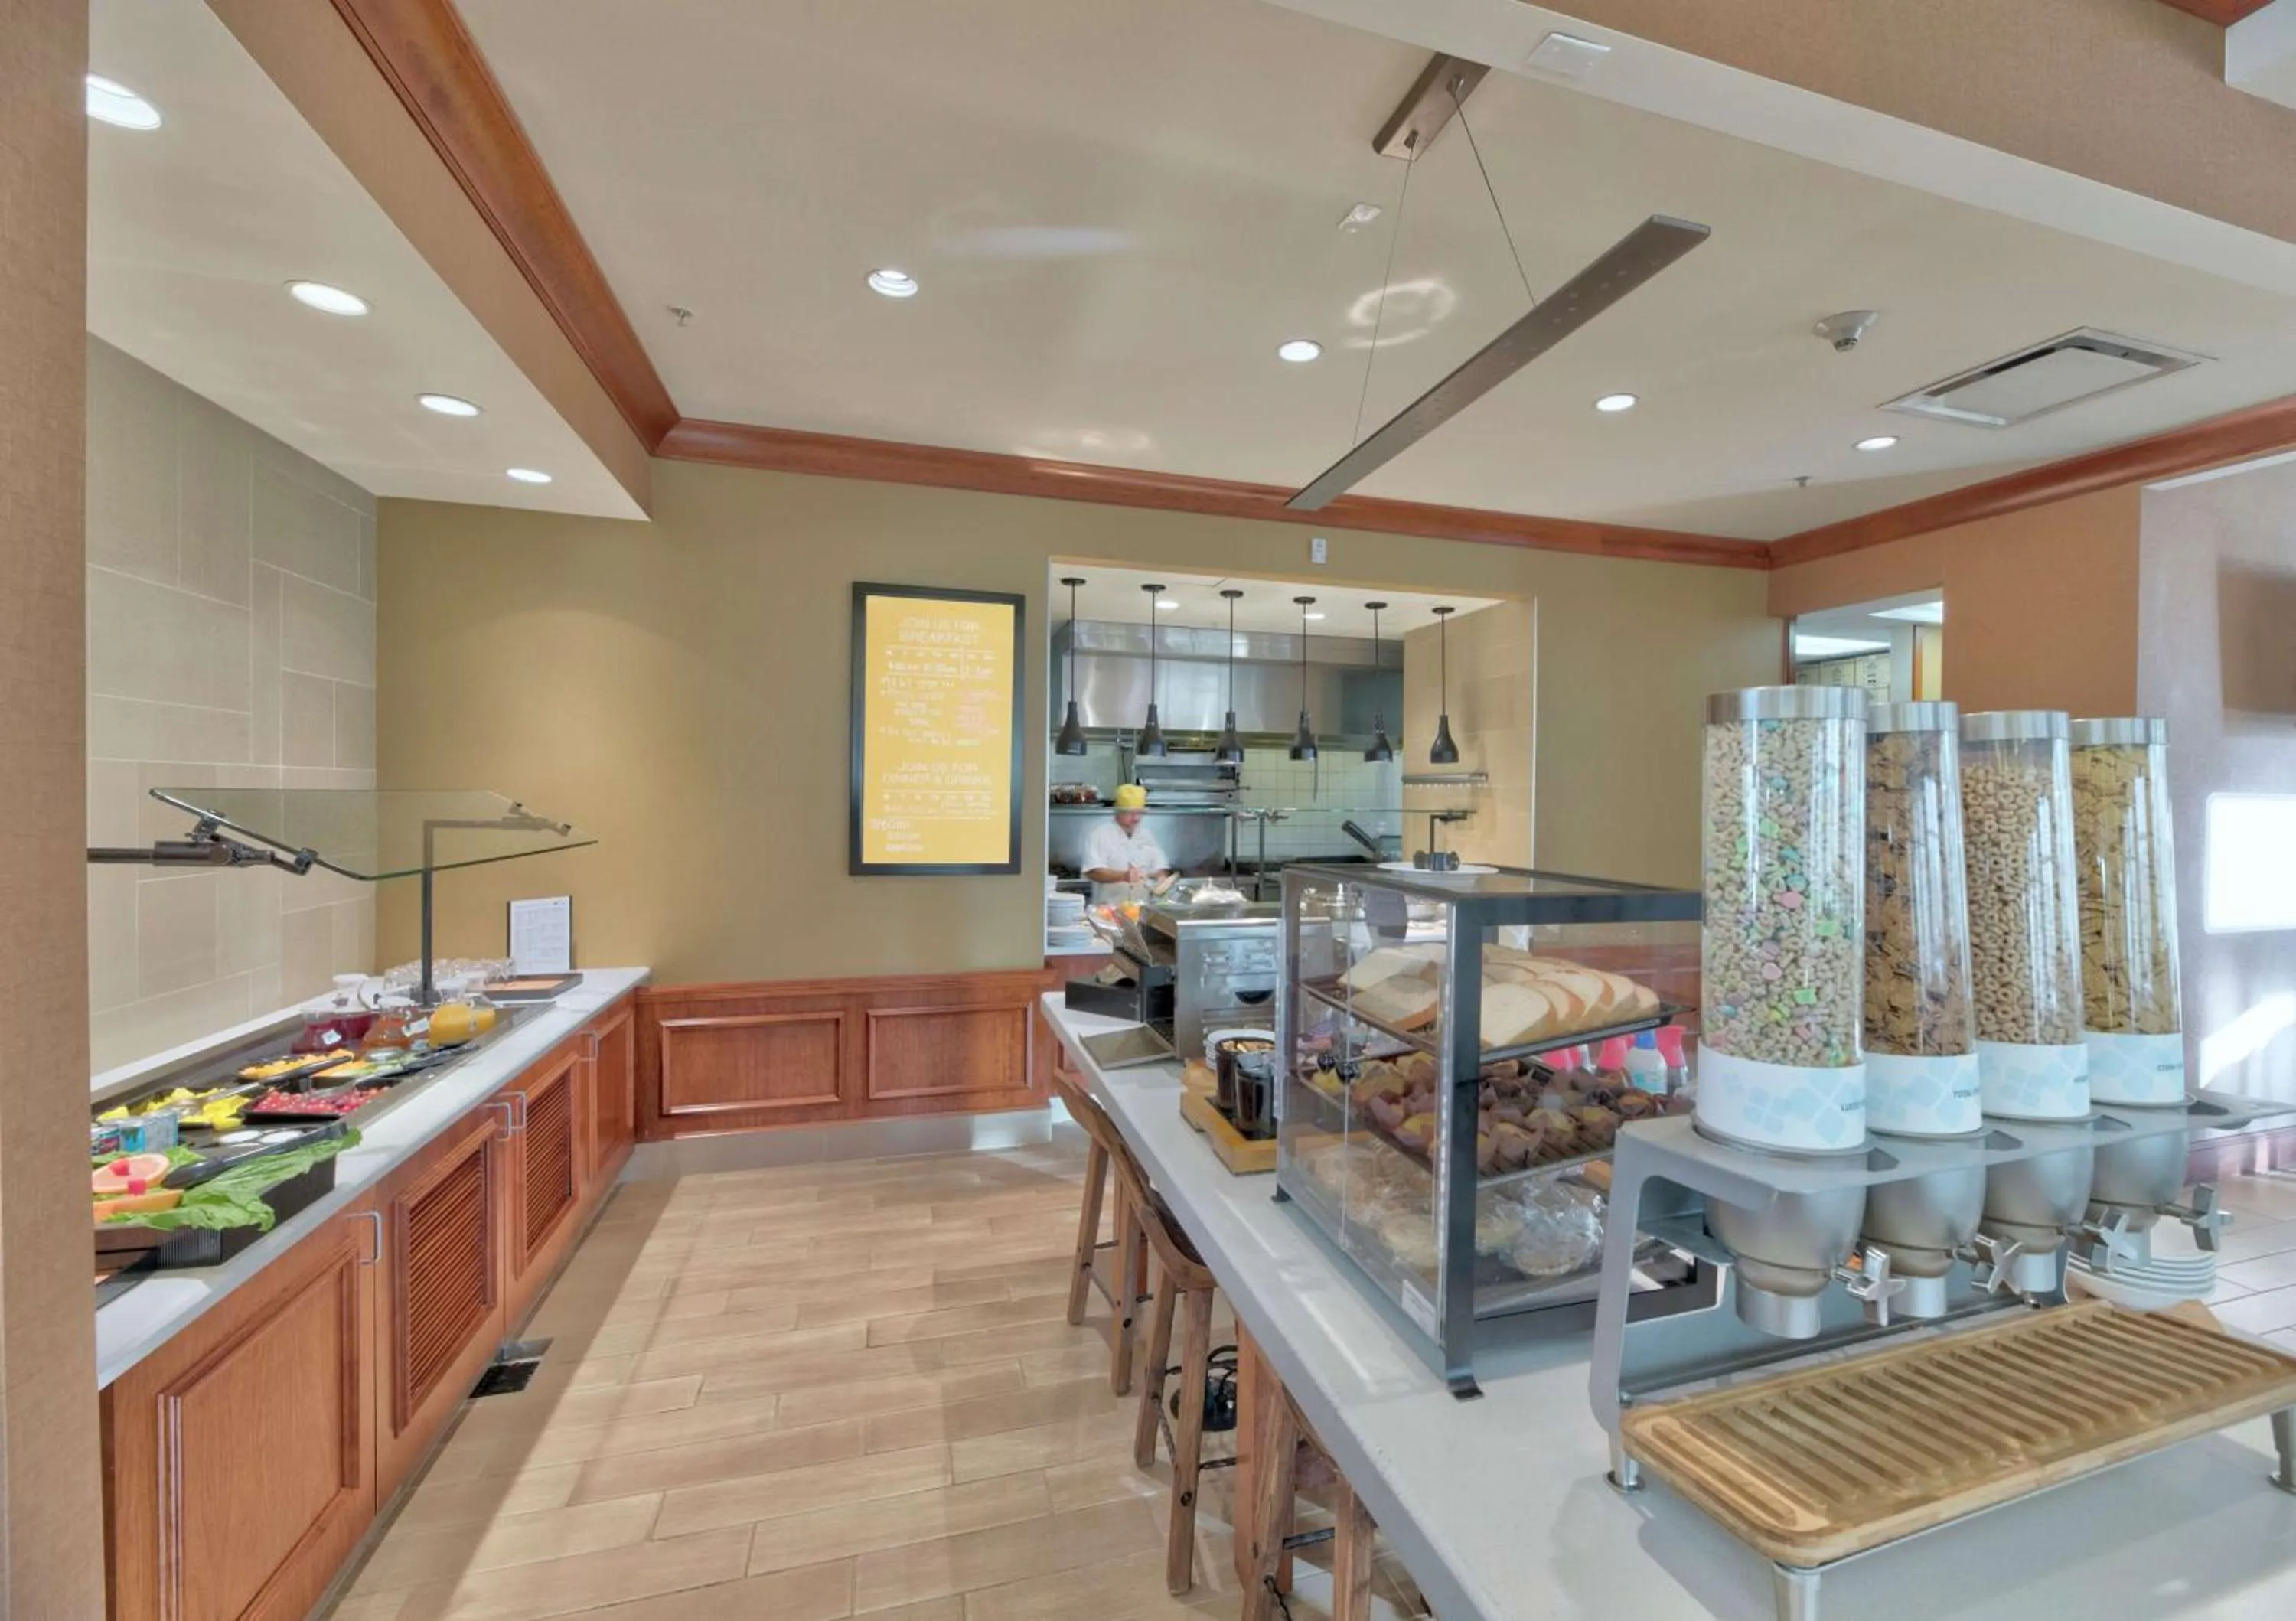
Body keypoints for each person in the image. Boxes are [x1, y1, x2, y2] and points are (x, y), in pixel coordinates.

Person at [1084, 783, 1172, 903]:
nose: (1136, 818)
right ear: (1118, 812)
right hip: (1108, 911)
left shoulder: (1146, 835)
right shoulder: (1101, 834)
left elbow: (1159, 867)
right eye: (1131, 813)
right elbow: (1093, 871)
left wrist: (1161, 878)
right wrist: (1123, 876)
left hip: (1140, 909)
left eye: (1139, 813)